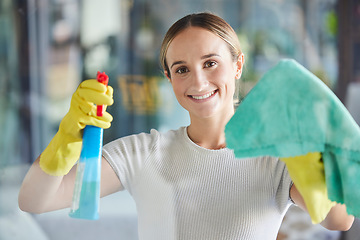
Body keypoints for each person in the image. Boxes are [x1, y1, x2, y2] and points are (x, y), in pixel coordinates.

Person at [18, 12, 354, 239]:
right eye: (181, 69)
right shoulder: (142, 153)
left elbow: (338, 219)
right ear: (168, 77)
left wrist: (308, 148)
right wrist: (65, 140)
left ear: (237, 65)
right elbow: (36, 201)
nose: (198, 80)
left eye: (211, 63)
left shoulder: (275, 158)